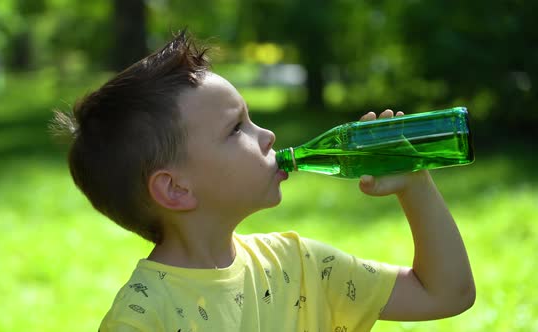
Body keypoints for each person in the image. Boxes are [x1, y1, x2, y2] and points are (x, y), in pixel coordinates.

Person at [51, 31, 475, 332]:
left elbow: (445, 293)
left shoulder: (298, 265)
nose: (267, 135)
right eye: (237, 128)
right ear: (176, 189)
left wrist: (414, 182)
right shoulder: (143, 319)